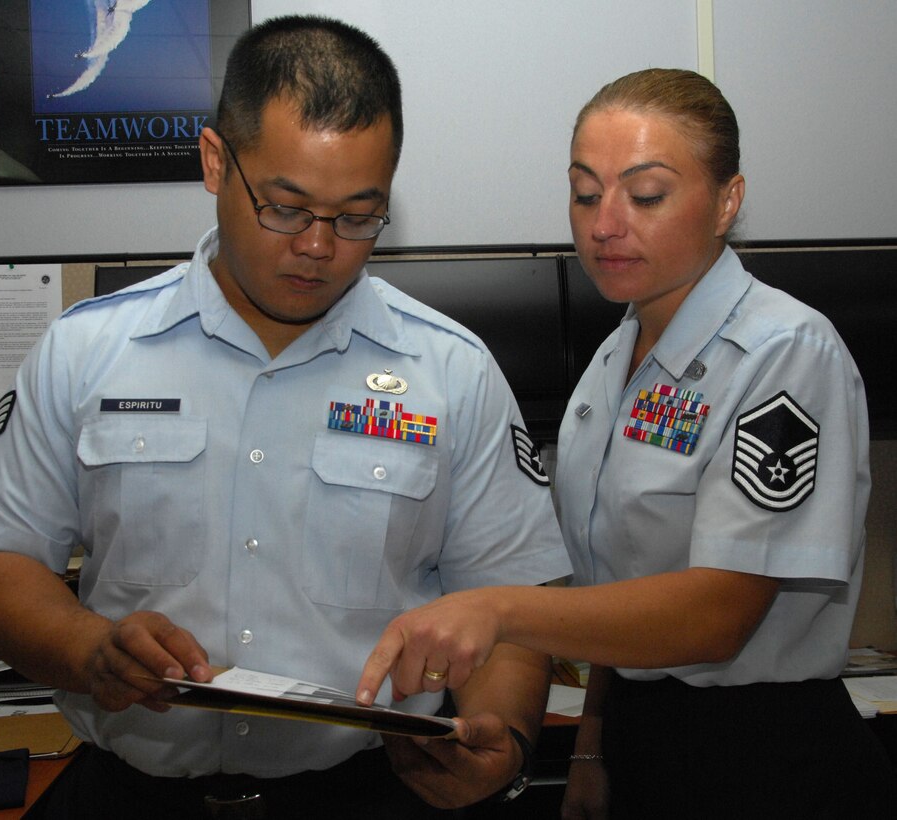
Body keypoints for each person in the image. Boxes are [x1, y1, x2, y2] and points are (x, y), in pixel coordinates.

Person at [0, 16, 571, 819]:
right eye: (285, 207)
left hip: (364, 793)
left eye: (358, 216)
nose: (318, 245)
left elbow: (513, 599)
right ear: (216, 161)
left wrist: (505, 734)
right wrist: (86, 649)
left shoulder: (449, 371)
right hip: (138, 795)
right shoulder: (88, 350)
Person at [357, 68, 896, 818]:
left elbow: (715, 614)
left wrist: (498, 611)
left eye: (644, 195)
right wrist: (592, 744)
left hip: (765, 756)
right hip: (643, 739)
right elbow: (620, 594)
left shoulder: (784, 351)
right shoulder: (617, 360)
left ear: (726, 201)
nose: (604, 223)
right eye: (585, 193)